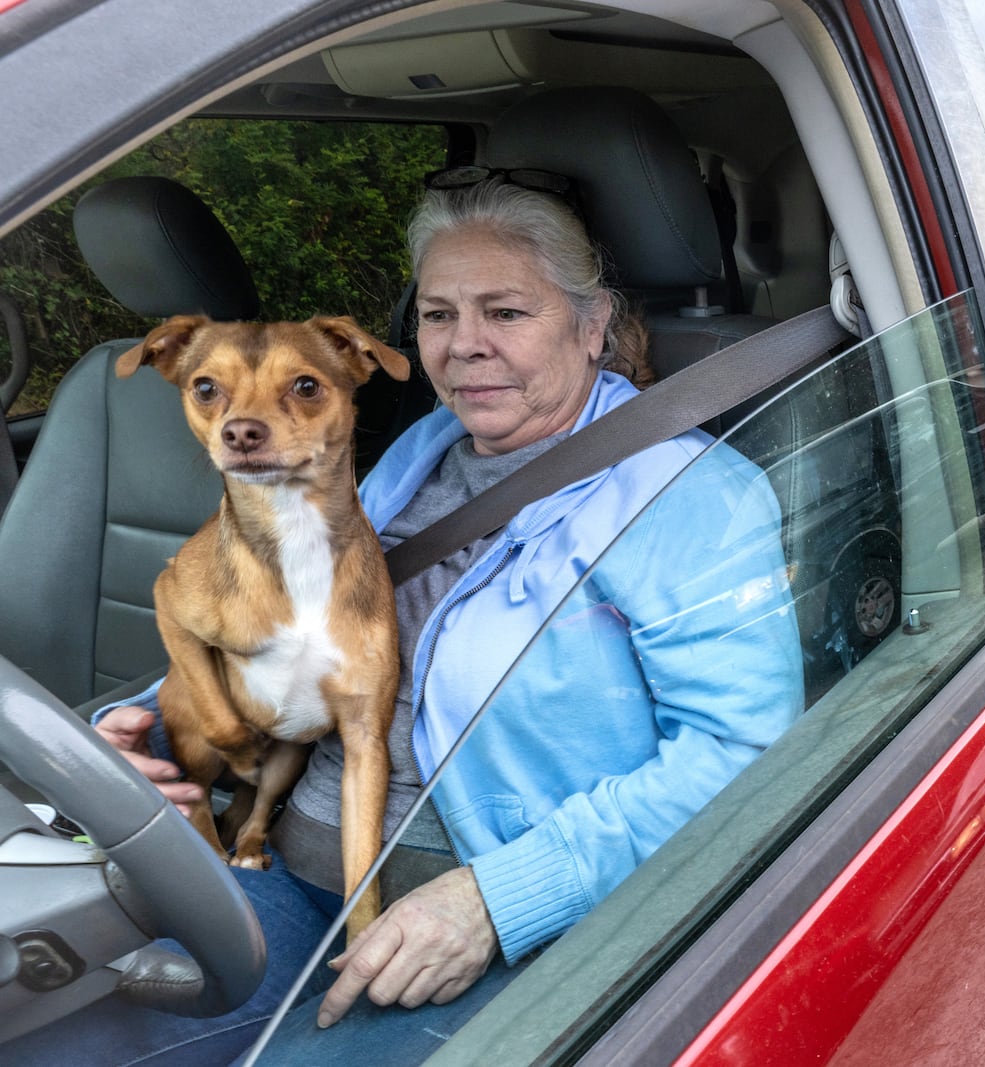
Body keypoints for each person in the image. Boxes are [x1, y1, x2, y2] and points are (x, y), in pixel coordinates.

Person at [3, 176, 804, 1065]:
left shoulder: (688, 493)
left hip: (499, 911)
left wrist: (497, 901)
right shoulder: (419, 452)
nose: (465, 347)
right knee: (51, 1039)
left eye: (505, 312)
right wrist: (158, 716)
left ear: (591, 323)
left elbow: (744, 755)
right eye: (437, 315)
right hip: (298, 870)